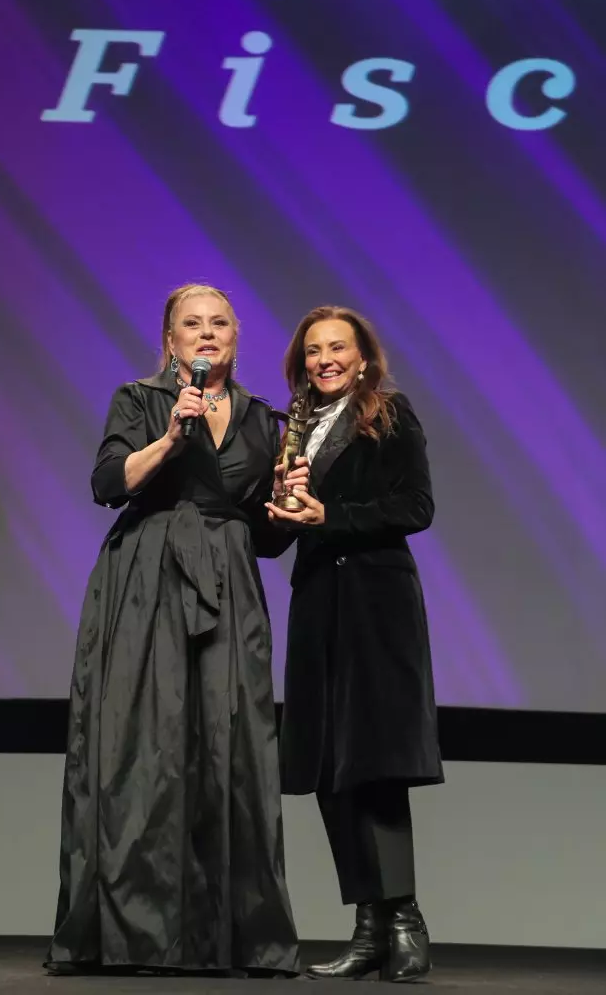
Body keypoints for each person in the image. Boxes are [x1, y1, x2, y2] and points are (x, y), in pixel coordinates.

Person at [45, 283, 306, 977]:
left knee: (233, 748)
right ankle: (139, 934)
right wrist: (168, 440)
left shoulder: (260, 418)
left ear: (236, 336)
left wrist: (287, 512)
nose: (207, 333)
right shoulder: (141, 398)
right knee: (146, 752)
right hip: (147, 581)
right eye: (192, 324)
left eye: (219, 323)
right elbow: (107, 482)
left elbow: (259, 535)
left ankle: (233, 936)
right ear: (170, 339)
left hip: (228, 586)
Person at [266, 305, 443, 983]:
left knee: (374, 762)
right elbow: (283, 531)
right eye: (313, 351)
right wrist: (279, 511)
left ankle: (405, 922)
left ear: (363, 357)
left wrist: (329, 516)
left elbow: (415, 507)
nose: (325, 359)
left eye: (337, 347)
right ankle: (369, 926)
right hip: (317, 605)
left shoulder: (389, 415)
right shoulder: (297, 430)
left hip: (376, 604)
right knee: (329, 768)